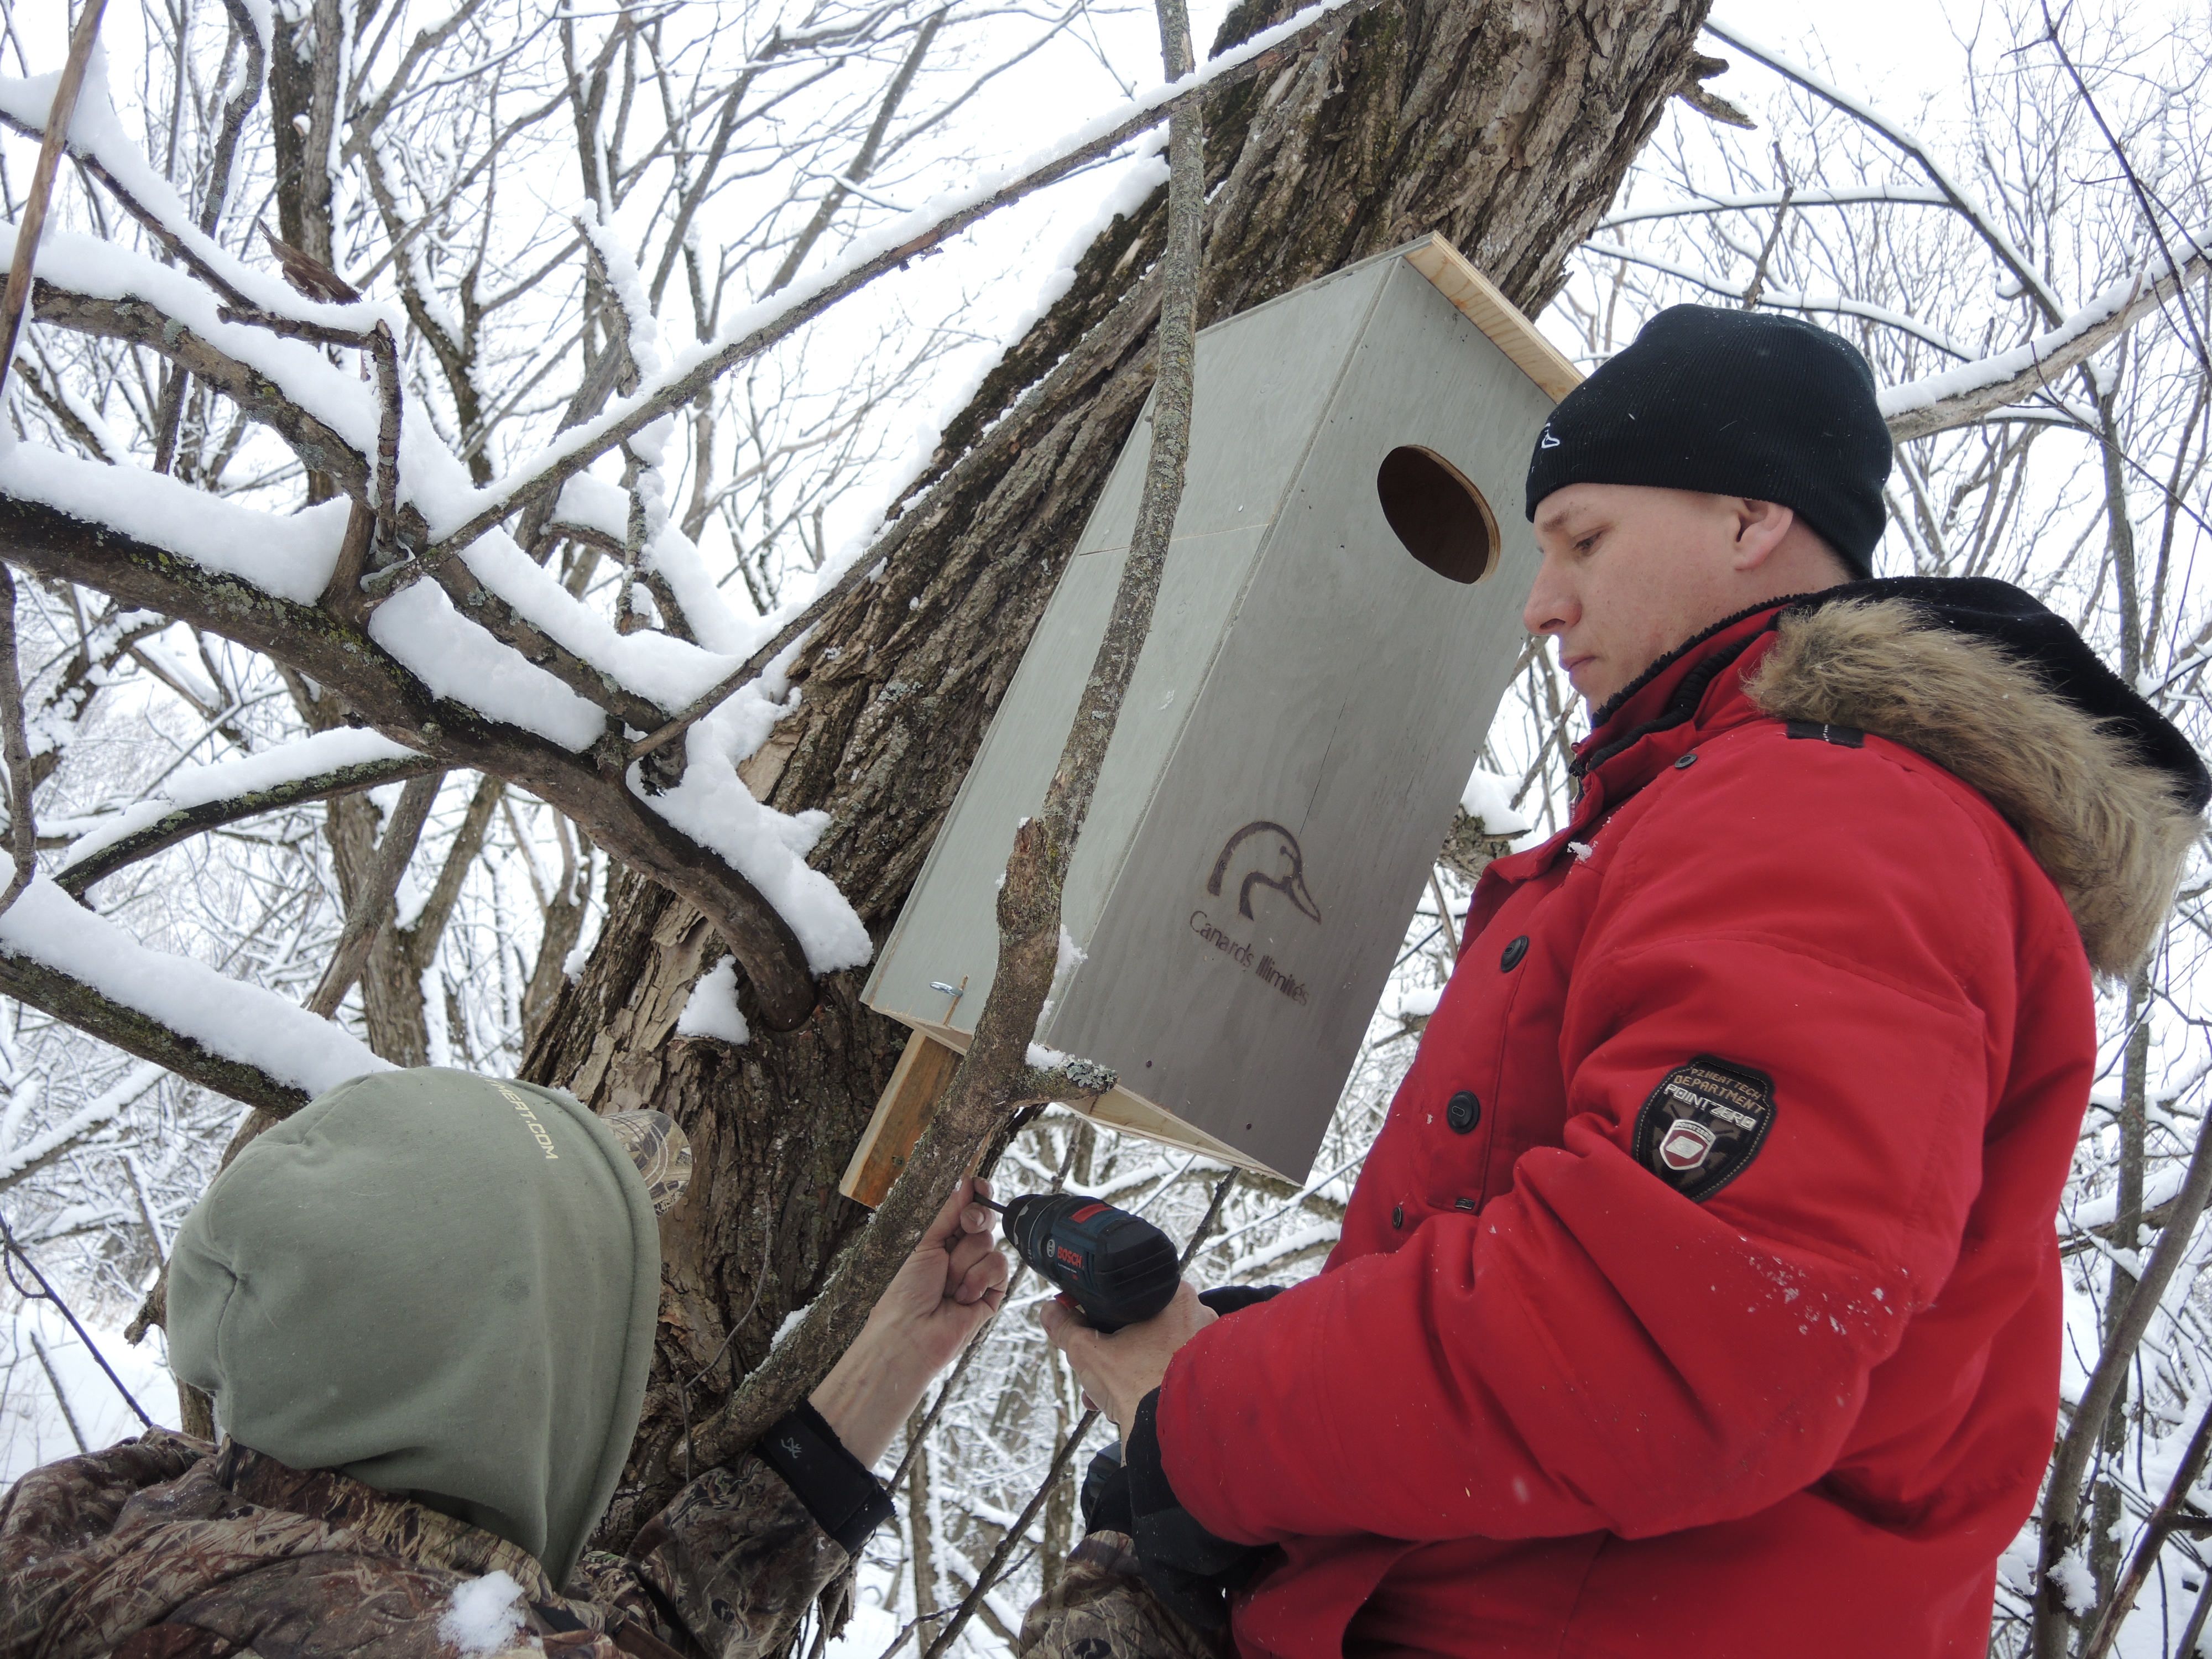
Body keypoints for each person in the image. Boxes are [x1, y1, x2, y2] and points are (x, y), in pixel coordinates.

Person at [1037, 305, 2212, 1658]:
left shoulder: (1831, 813)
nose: (1539, 602)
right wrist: (1278, 1371)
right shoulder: (1720, 811)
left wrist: (1205, 1425)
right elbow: (1593, 1256)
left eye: (1581, 538)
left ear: (1747, 518)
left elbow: (1671, 1347)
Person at [0, 1068, 1008, 1659]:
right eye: (606, 1314)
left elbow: (628, 1633)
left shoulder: (143, 1527)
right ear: (514, 1367)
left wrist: (895, 1356)